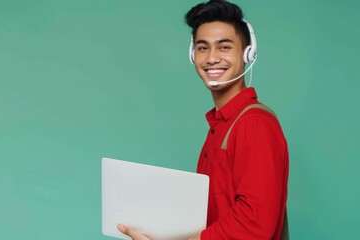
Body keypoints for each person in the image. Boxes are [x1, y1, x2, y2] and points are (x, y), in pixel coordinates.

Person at [118, 0, 289, 239]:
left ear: (248, 53)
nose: (211, 58)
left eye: (224, 47)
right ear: (193, 55)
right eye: (202, 48)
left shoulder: (254, 123)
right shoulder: (220, 125)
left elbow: (255, 224)